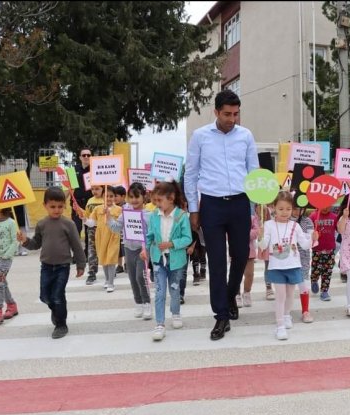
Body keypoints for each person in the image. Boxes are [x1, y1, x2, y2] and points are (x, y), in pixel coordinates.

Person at [184, 89, 259, 341]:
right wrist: (194, 209)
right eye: (227, 114)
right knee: (216, 262)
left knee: (240, 256)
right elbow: (191, 174)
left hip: (240, 203)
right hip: (212, 205)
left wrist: (255, 204)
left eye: (236, 114)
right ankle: (221, 315)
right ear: (216, 112)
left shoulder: (246, 135)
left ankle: (229, 294)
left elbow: (254, 171)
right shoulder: (200, 136)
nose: (232, 119)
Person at [18, 187, 86, 339]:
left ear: (64, 205)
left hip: (63, 266)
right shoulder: (42, 224)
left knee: (58, 295)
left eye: (60, 206)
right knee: (45, 297)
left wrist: (81, 264)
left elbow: (76, 245)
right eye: (52, 206)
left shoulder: (69, 224)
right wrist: (25, 241)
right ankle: (56, 311)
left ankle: (61, 324)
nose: (56, 210)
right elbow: (36, 244)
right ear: (45, 206)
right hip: (46, 267)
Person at [258, 191, 315, 340]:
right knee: (280, 296)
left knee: (290, 294)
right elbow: (263, 246)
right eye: (281, 209)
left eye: (288, 209)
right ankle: (280, 326)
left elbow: (304, 244)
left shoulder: (295, 226)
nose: (285, 212)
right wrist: (260, 236)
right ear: (273, 208)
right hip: (276, 266)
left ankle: (286, 314)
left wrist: (314, 239)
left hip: (293, 265)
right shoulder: (268, 225)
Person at [141, 180, 192, 341]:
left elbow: (187, 238)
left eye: (159, 200)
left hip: (176, 260)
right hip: (158, 260)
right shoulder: (154, 216)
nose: (156, 204)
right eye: (154, 201)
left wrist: (171, 244)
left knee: (175, 289)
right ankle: (160, 324)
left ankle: (176, 313)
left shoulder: (182, 216)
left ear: (171, 198)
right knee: (160, 291)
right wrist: (145, 249)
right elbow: (149, 236)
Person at [108, 182, 152, 319]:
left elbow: (152, 235)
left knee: (141, 277)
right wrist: (108, 217)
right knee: (132, 278)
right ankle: (138, 303)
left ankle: (147, 303)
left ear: (144, 197)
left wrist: (148, 248)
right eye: (131, 197)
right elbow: (116, 228)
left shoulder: (148, 215)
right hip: (128, 248)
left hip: (142, 250)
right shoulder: (125, 213)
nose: (134, 200)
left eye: (137, 197)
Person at [80, 185, 122, 293]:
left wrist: (109, 216)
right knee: (104, 259)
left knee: (111, 259)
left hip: (113, 236)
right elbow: (92, 223)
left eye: (111, 196)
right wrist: (84, 219)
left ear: (115, 197)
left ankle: (111, 282)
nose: (108, 198)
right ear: (102, 197)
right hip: (100, 236)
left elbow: (120, 225)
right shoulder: (97, 209)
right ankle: (107, 280)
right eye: (106, 196)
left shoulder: (119, 210)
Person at [73, 184, 104, 285]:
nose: (94, 191)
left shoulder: (106, 199)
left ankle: (110, 269)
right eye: (93, 189)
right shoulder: (90, 201)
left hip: (105, 229)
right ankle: (92, 272)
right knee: (92, 250)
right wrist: (78, 210)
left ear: (103, 189)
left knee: (106, 250)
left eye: (97, 189)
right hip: (92, 229)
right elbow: (87, 214)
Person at [291, 204, 315, 323]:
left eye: (298, 208)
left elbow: (310, 243)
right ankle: (285, 312)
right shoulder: (286, 220)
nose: (296, 211)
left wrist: (313, 238)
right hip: (288, 258)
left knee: (304, 284)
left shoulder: (308, 221)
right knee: (287, 286)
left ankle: (305, 310)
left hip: (303, 257)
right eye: (293, 208)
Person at [309, 205, 337, 301]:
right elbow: (308, 231)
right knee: (316, 268)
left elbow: (340, 229)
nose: (325, 207)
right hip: (317, 249)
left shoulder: (334, 217)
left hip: (330, 249)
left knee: (327, 271)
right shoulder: (313, 216)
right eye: (324, 204)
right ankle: (314, 280)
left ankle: (324, 291)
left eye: (328, 204)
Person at [71, 148, 94, 255]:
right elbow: (69, 188)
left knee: (89, 229)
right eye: (84, 155)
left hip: (90, 204)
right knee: (76, 229)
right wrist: (62, 202)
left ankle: (87, 253)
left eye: (88, 155)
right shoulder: (73, 169)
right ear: (80, 157)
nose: (86, 157)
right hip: (77, 204)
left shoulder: (95, 170)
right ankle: (77, 254)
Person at [236, 209, 259, 308]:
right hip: (235, 251)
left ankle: (246, 293)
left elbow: (256, 231)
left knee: (249, 274)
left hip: (250, 251)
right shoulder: (232, 217)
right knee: (236, 274)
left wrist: (244, 234)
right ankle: (236, 294)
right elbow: (229, 234)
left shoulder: (252, 218)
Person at [113, 185, 127, 273]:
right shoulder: (113, 207)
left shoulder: (127, 206)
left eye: (116, 196)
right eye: (113, 196)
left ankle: (127, 264)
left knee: (124, 248)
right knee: (118, 249)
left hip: (125, 232)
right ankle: (119, 265)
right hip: (116, 231)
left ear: (123, 196)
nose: (114, 198)